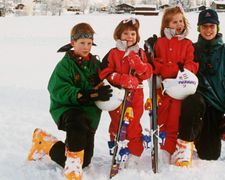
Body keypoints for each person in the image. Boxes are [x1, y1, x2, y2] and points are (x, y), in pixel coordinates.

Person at [27, 22, 113, 180]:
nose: (86, 47)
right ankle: (72, 169)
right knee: (77, 122)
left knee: (85, 161)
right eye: (82, 43)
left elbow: (105, 80)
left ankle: (44, 142)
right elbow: (57, 89)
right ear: (73, 43)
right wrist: (88, 94)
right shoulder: (65, 65)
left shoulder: (95, 65)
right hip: (66, 109)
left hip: (90, 115)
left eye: (89, 43)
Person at [174, 9, 225, 167]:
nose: (208, 30)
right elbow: (171, 58)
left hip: (216, 108)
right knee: (194, 101)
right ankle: (185, 143)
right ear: (199, 28)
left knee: (210, 154)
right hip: (193, 105)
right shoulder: (191, 49)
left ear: (217, 27)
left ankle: (203, 135)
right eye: (204, 26)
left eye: (212, 26)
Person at [147, 6, 199, 166]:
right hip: (163, 89)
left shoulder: (188, 44)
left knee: (176, 118)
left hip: (180, 87)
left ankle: (177, 146)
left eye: (181, 21)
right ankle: (164, 147)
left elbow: (192, 64)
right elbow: (155, 65)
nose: (179, 24)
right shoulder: (160, 43)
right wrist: (155, 59)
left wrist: (177, 69)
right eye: (174, 21)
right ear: (166, 25)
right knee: (163, 119)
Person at [99, 17, 152, 167]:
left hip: (135, 95)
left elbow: (148, 73)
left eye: (133, 34)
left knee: (133, 123)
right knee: (117, 122)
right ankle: (118, 148)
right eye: (126, 33)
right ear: (118, 35)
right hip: (117, 95)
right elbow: (104, 72)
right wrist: (119, 78)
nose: (129, 37)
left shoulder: (140, 53)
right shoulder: (113, 53)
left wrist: (141, 67)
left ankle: (134, 152)